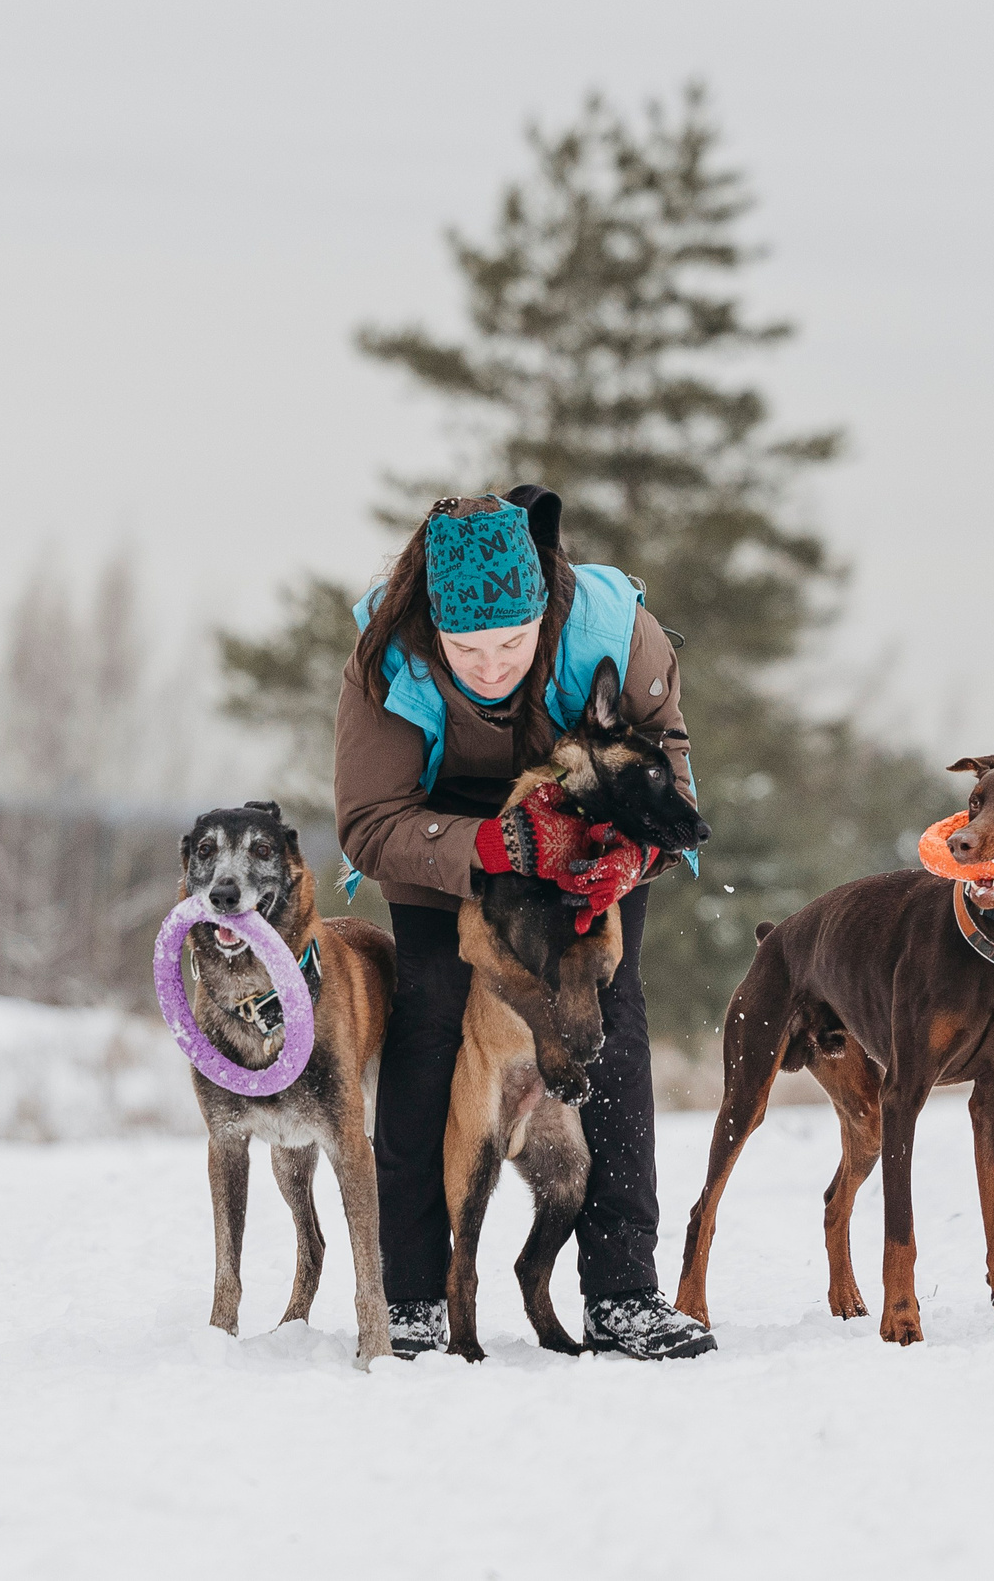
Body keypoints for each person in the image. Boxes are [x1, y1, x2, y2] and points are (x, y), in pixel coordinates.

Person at [333, 486, 717, 1361]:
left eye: (514, 642)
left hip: (592, 824)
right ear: (435, 627)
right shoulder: (384, 660)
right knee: (432, 1009)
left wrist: (631, 858)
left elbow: (673, 791)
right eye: (470, 649)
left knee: (608, 1018)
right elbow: (369, 822)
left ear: (545, 613)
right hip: (440, 830)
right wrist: (493, 843)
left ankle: (623, 1291)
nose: (494, 664)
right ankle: (415, 1297)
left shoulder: (619, 637)